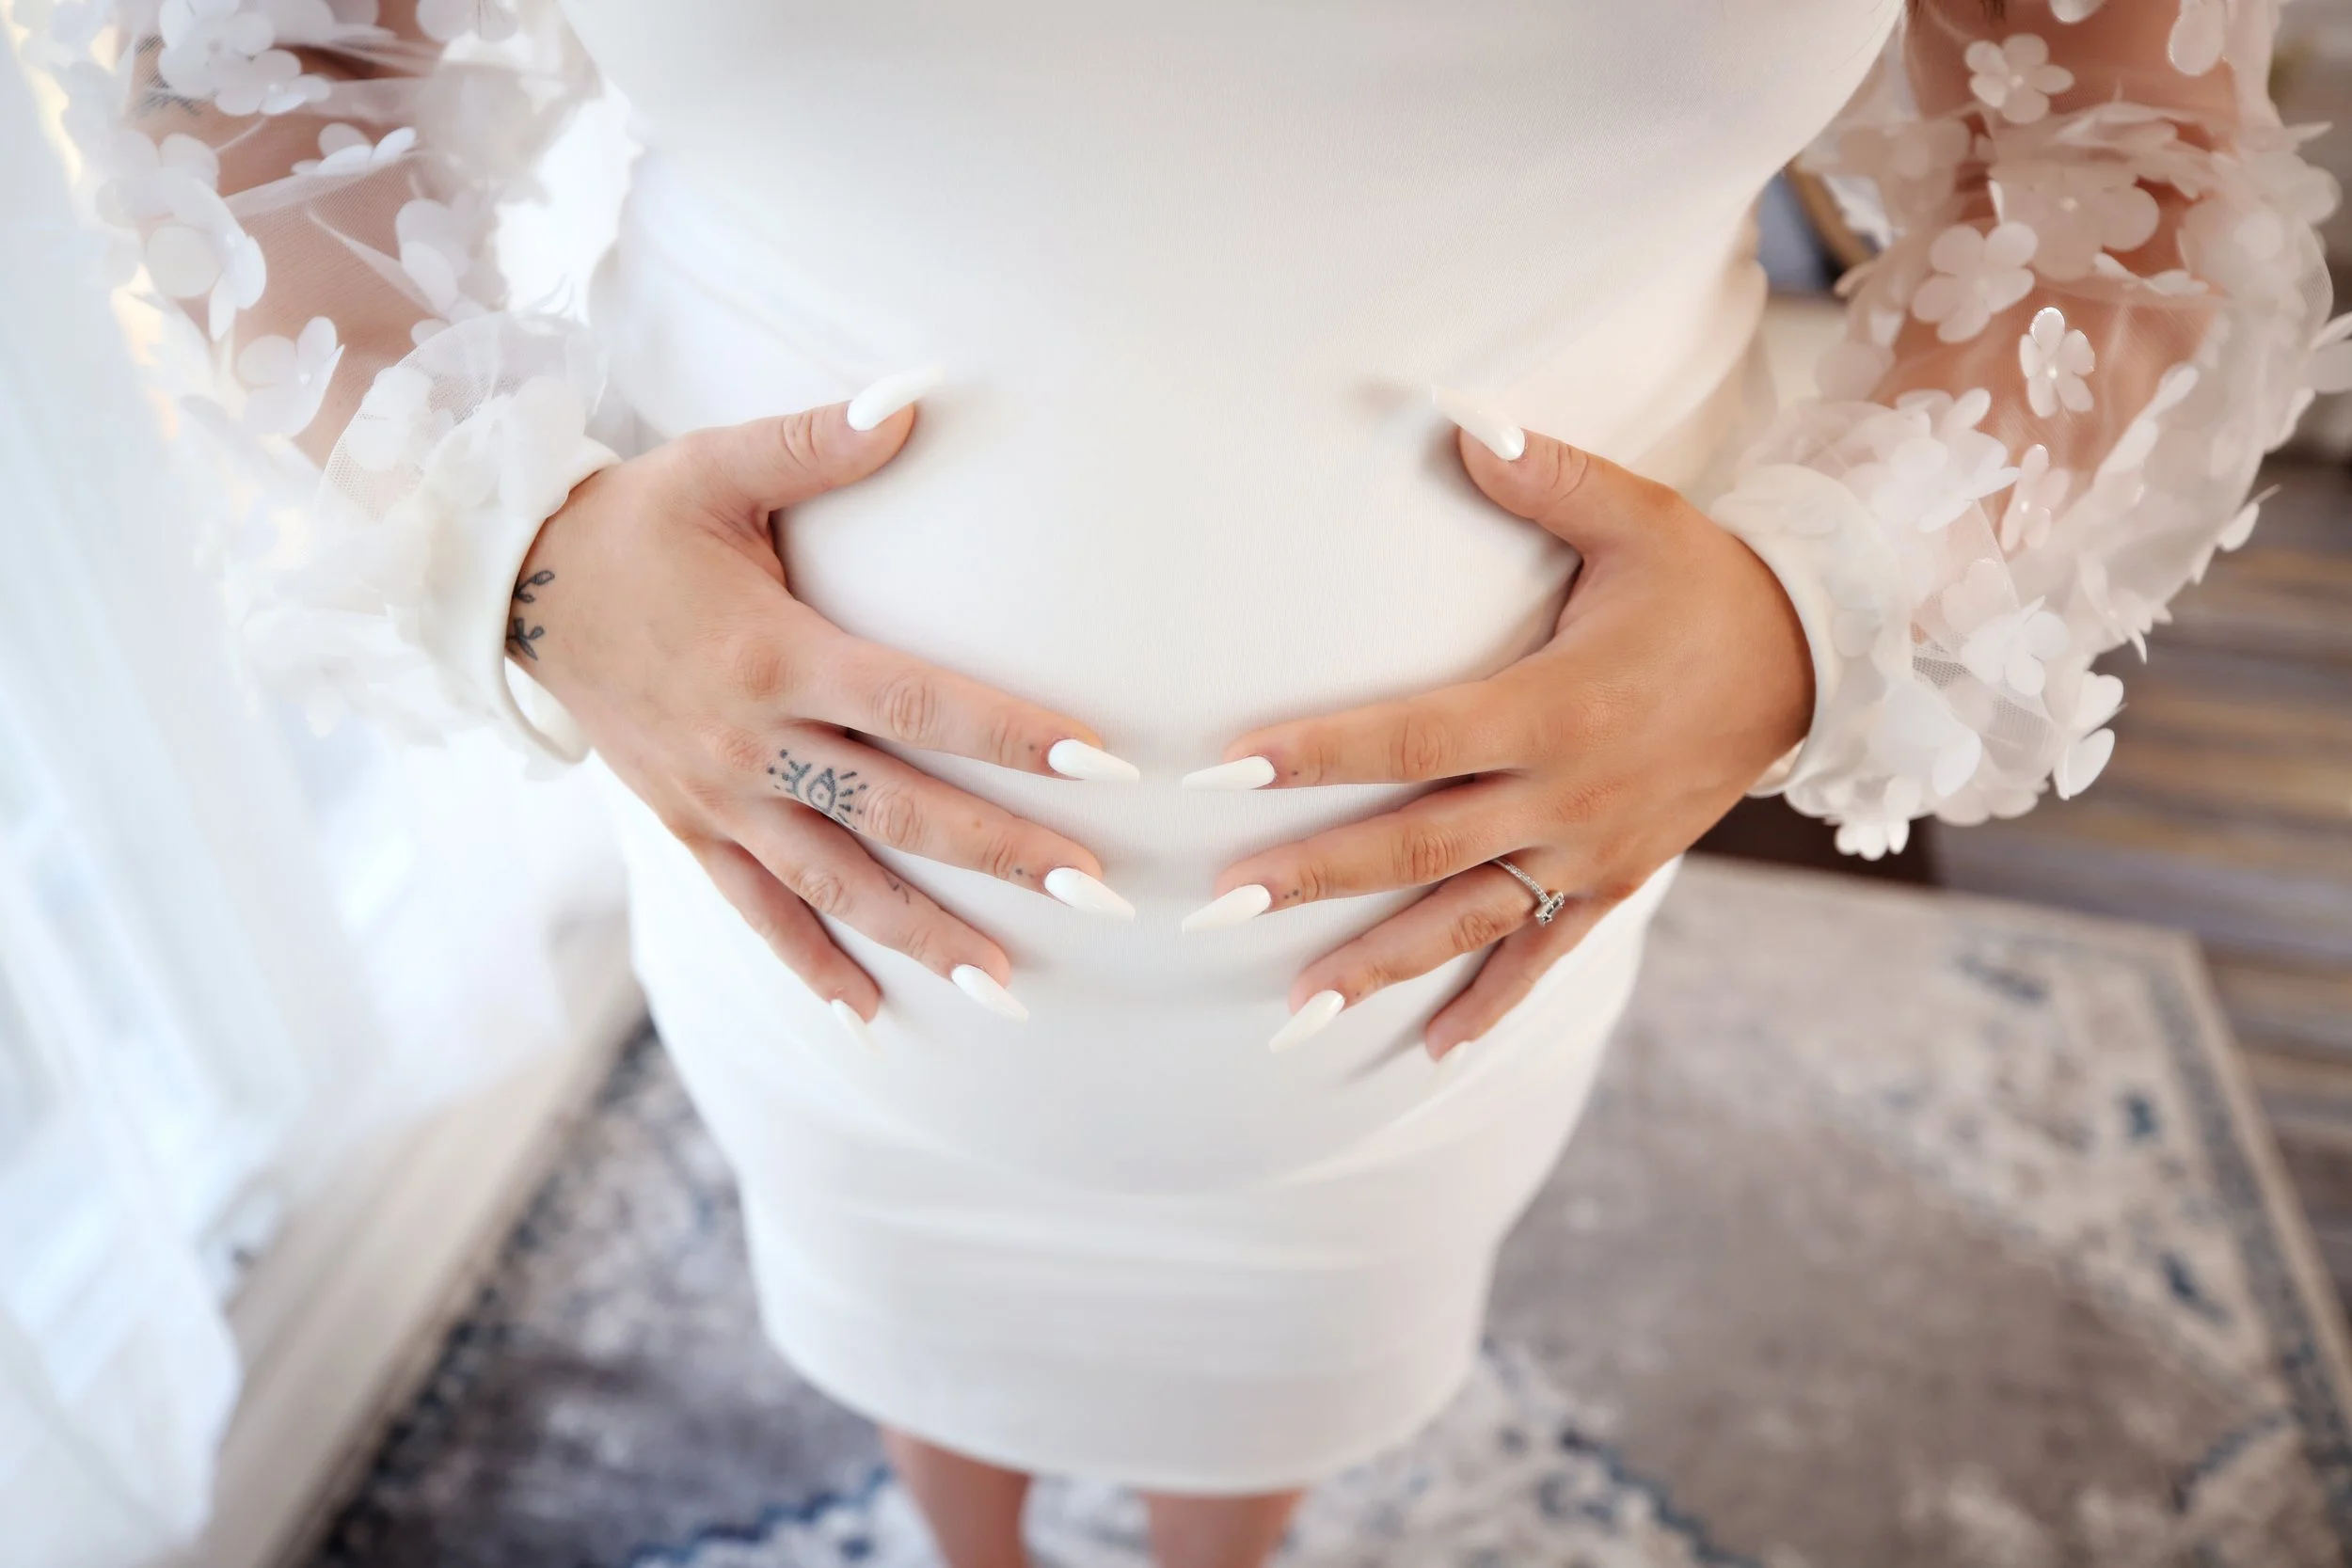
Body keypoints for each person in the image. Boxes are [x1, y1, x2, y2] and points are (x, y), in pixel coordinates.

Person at [37, 0, 2336, 1562]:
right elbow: (245, 53)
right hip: (806, 894)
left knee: (1302, 1345)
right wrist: (520, 564)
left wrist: (1815, 617)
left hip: (1455, 958)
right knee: (890, 1281)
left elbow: (2124, 155)